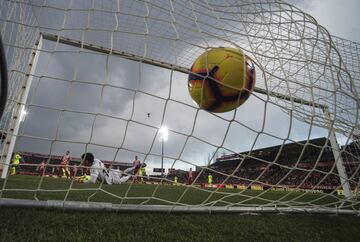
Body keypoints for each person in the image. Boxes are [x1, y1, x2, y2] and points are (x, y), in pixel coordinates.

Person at [76, 153, 146, 184]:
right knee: (122, 172)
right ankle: (135, 167)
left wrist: (81, 181)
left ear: (87, 161)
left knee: (123, 178)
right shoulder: (96, 160)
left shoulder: (94, 167)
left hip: (112, 179)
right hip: (111, 173)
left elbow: (92, 181)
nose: (82, 162)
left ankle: (131, 175)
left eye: (83, 160)